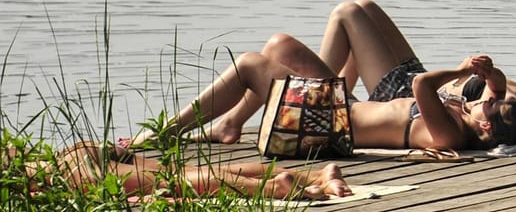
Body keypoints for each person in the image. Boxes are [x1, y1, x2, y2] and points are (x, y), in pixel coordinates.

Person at [200, 0, 516, 142]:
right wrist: (485, 72)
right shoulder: (509, 103)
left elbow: (485, 91)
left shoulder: (507, 108)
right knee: (364, 8)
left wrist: (471, 73)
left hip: (401, 96)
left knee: (344, 15)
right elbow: (490, 85)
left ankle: (317, 92)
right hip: (409, 93)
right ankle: (319, 90)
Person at [138, 38, 516, 153]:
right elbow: (497, 87)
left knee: (248, 64)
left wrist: (464, 70)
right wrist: (487, 72)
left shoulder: (450, 133)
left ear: (486, 123)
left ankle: (165, 133)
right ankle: (229, 125)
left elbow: (420, 85)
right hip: (342, 108)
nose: (484, 96)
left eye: (488, 103)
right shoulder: (468, 119)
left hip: (327, 122)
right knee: (281, 46)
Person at [19, 143, 351, 202]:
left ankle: (275, 188)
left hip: (72, 170)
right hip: (77, 152)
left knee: (173, 184)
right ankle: (318, 175)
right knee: (193, 170)